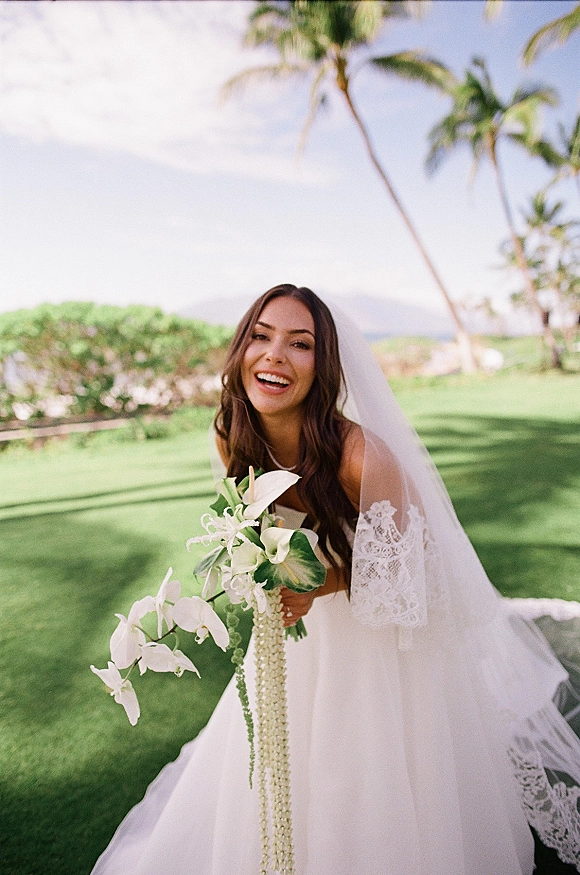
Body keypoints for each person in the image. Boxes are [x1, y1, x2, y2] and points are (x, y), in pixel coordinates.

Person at [91, 284, 580, 875]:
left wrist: (320, 582)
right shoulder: (231, 434)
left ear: (324, 368)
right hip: (294, 625)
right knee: (273, 755)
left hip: (380, 633)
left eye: (301, 345)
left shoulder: (360, 455)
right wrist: (257, 572)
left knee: (366, 767)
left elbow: (414, 572)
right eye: (261, 335)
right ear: (241, 348)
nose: (274, 355)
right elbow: (258, 523)